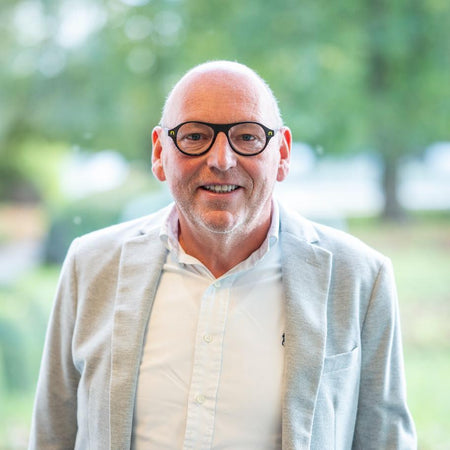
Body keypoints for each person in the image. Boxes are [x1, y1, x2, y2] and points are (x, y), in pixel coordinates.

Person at [29, 60, 416, 450]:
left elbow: (385, 440)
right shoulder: (90, 265)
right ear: (159, 152)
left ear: (282, 153)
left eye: (247, 137)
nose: (221, 159)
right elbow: (52, 436)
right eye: (195, 136)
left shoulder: (360, 278)